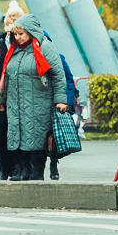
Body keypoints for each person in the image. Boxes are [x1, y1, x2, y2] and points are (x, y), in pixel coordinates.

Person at [0, 14, 67, 181]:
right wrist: (0, 98)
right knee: (18, 138)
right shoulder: (14, 49)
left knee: (36, 138)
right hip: (15, 103)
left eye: (21, 34)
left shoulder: (44, 47)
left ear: (31, 32)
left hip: (38, 103)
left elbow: (58, 74)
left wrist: (61, 100)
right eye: (16, 34)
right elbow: (5, 75)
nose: (18, 38)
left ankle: (37, 172)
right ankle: (24, 171)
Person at [0, 1, 23, 180]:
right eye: (9, 22)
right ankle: (3, 167)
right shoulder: (1, 42)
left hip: (18, 96)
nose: (11, 26)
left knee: (16, 133)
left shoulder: (28, 44)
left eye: (15, 22)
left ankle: (17, 166)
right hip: (0, 94)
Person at [47, 52, 78, 180]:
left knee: (55, 137)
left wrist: (68, 102)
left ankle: (53, 162)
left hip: (57, 103)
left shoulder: (57, 57)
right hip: (39, 103)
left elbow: (69, 80)